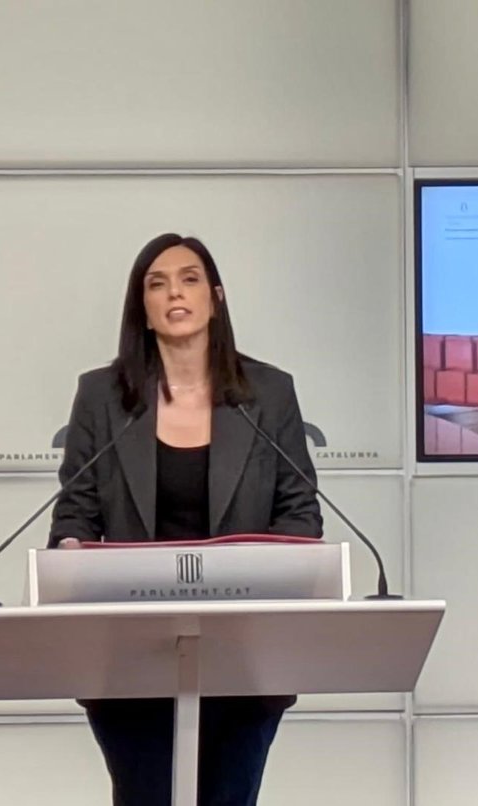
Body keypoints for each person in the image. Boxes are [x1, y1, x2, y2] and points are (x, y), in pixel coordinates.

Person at [48, 232, 322, 805]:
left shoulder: (269, 394)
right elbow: (75, 513)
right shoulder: (101, 397)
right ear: (143, 309)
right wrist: (71, 551)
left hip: (245, 658)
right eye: (157, 283)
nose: (175, 292)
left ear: (215, 298)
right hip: (130, 658)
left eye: (190, 279)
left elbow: (300, 515)